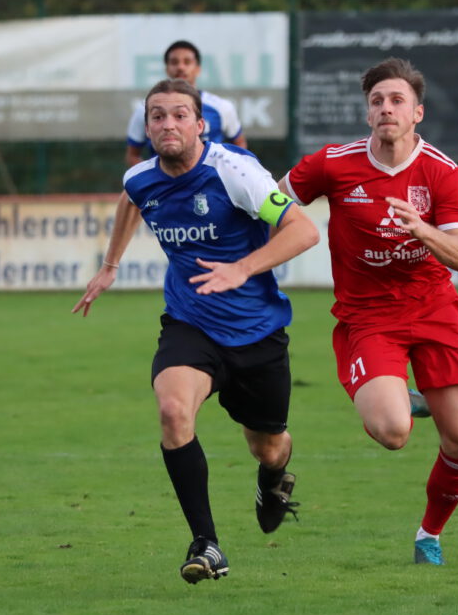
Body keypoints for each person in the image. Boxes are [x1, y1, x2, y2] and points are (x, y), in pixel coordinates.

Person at [74, 78, 319, 584]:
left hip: (257, 331)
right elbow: (129, 199)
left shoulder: (235, 172)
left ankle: (273, 479)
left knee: (268, 445)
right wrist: (110, 265)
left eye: (180, 115)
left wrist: (241, 268)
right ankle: (207, 544)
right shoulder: (141, 178)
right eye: (158, 116)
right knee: (172, 410)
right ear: (147, 128)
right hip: (191, 323)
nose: (168, 124)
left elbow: (304, 230)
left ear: (200, 124)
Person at [278, 57, 458, 566]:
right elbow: (270, 201)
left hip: (434, 310)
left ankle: (429, 535)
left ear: (417, 113)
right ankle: (403, 399)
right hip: (368, 316)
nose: (386, 108)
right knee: (393, 432)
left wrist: (423, 229)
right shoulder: (333, 163)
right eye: (377, 101)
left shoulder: (442, 172)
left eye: (396, 100)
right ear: (368, 113)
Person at [125, 40, 247, 168]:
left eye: (187, 62)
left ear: (198, 69)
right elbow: (133, 155)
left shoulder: (221, 107)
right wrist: (151, 177)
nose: (180, 67)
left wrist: (227, 173)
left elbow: (240, 145)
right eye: (174, 62)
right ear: (166, 69)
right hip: (164, 180)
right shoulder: (145, 109)